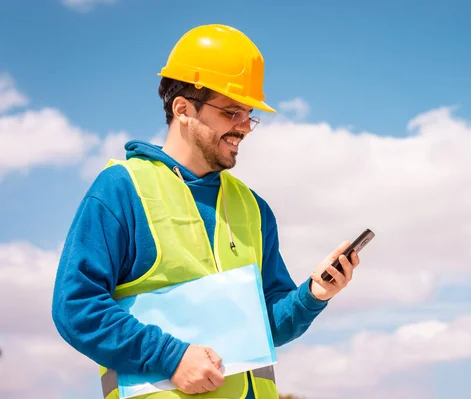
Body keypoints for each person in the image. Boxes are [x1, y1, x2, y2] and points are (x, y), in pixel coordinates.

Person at [51, 24, 360, 399]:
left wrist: (313, 294)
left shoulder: (254, 209)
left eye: (249, 115)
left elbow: (266, 327)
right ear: (183, 109)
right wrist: (171, 357)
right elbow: (76, 305)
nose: (245, 127)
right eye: (232, 112)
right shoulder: (121, 189)